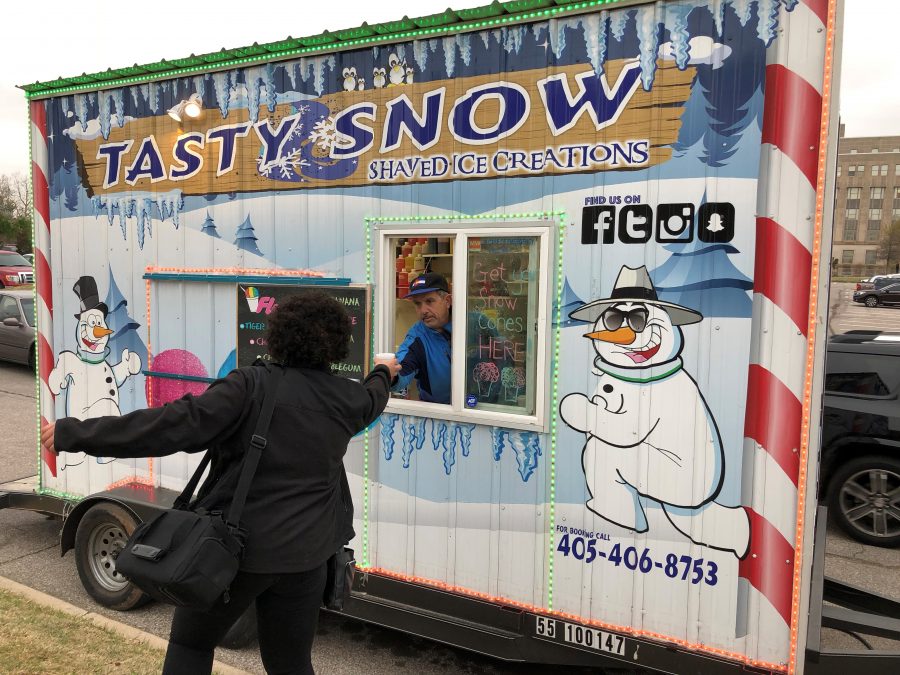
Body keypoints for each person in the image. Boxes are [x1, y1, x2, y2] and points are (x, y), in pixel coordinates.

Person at [41, 292, 401, 675]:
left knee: (190, 645)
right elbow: (374, 395)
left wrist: (74, 433)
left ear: (277, 336)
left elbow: (166, 428)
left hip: (236, 552)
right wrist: (383, 371)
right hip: (308, 558)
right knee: (290, 663)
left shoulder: (249, 386)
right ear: (335, 344)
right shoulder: (348, 398)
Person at [393, 272, 453, 403]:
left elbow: (500, 354)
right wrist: (391, 375)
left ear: (447, 301)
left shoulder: (474, 324)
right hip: (436, 416)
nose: (423, 310)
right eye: (417, 304)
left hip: (483, 411)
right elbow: (402, 368)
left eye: (429, 301)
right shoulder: (416, 338)